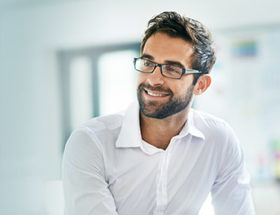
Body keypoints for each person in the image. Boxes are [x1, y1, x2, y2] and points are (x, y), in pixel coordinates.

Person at [62, 11, 255, 215]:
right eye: (148, 63)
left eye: (172, 69)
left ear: (201, 85)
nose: (153, 79)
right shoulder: (91, 142)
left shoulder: (219, 140)